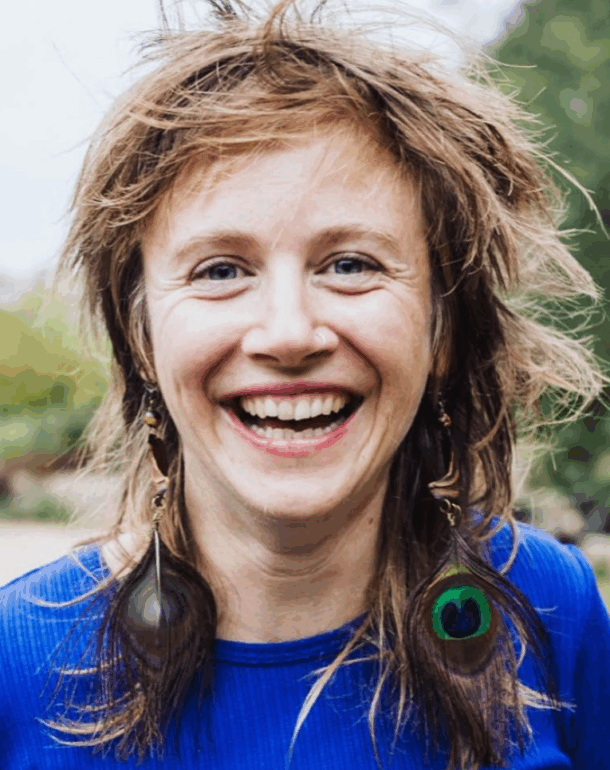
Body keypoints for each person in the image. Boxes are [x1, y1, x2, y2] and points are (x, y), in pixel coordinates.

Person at [1, 1, 609, 767]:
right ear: (142, 337)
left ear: (443, 328)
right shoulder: (17, 662)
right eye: (220, 270)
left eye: (350, 264)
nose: (289, 333)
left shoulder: (553, 608)